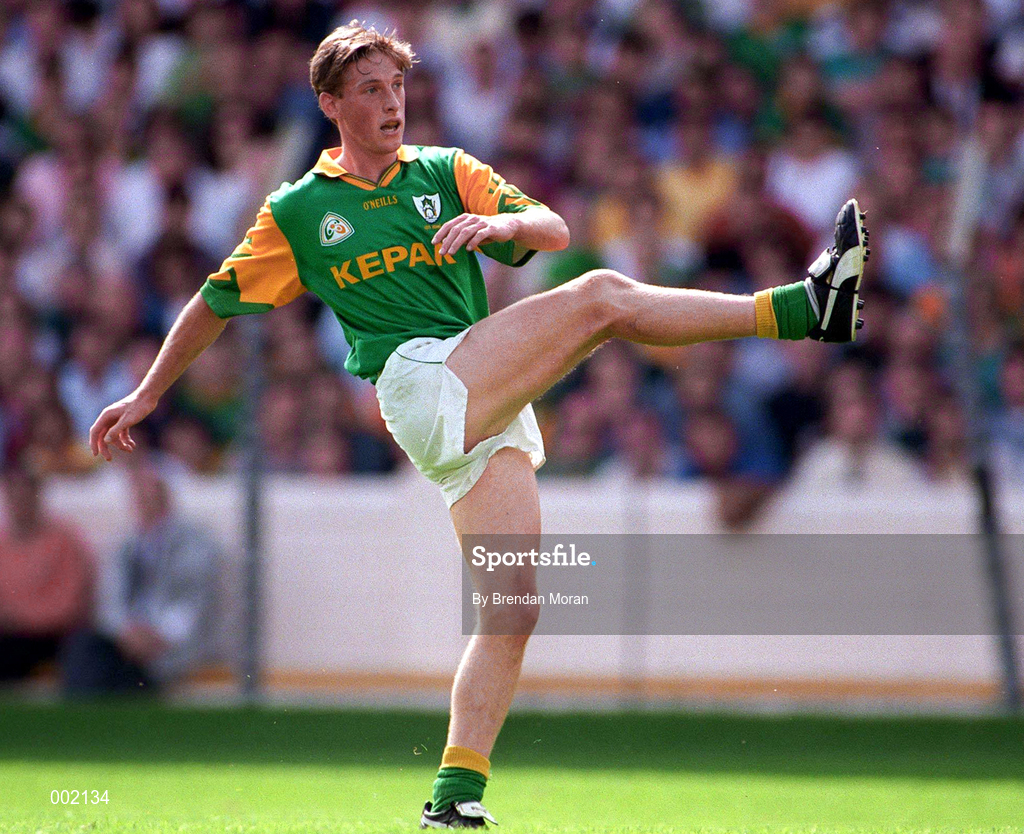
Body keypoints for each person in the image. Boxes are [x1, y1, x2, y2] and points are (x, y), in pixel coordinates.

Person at [88, 23, 869, 829]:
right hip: (420, 385)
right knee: (601, 299)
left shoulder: (446, 170)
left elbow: (555, 231)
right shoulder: (300, 210)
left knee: (511, 611)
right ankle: (804, 308)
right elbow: (214, 302)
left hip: (480, 389)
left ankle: (452, 801)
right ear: (329, 104)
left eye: (396, 87)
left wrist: (501, 227)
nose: (391, 103)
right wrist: (148, 393)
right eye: (369, 90)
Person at [61, 458, 222, 695]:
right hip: (126, 639)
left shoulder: (194, 544)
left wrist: (157, 635)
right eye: (140, 497)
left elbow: (193, 600)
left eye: (150, 497)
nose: (144, 504)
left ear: (165, 500)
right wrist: (126, 632)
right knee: (83, 648)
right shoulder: (126, 544)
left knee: (131, 678)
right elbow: (110, 598)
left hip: (166, 644)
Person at [0, 462, 94, 684]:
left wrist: (22, 619)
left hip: (54, 637)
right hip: (10, 635)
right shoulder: (2, 544)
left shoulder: (64, 541)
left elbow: (72, 603)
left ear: (36, 495)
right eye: (13, 497)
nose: (19, 503)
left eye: (24, 495)